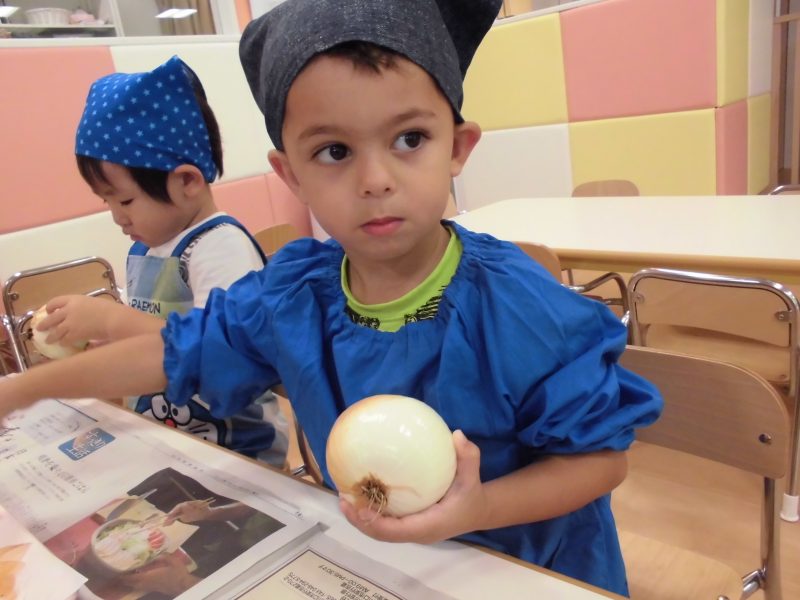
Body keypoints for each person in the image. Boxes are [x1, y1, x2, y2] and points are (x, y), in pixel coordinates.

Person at [0, 1, 663, 595]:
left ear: (457, 147)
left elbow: (600, 461)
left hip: (526, 568)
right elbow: (174, 354)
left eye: (410, 140)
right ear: (290, 173)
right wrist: (26, 391)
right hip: (380, 567)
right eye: (335, 151)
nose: (375, 179)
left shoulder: (520, 307)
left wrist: (476, 509)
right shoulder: (295, 295)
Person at [30, 56, 289, 466]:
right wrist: (107, 343)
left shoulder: (219, 247)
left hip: (235, 450)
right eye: (107, 202)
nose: (118, 217)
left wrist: (110, 320)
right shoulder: (146, 248)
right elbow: (152, 335)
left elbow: (221, 351)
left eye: (126, 200)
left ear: (187, 181)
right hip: (171, 440)